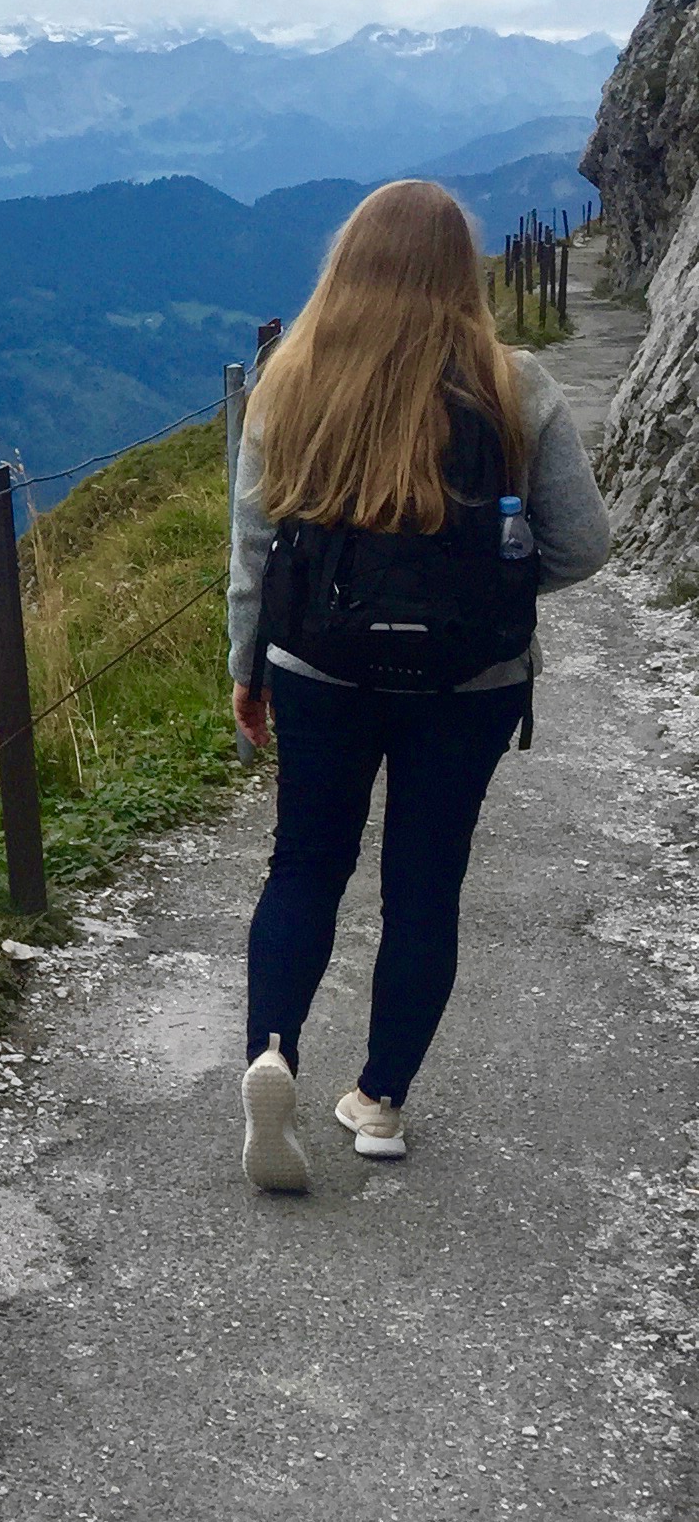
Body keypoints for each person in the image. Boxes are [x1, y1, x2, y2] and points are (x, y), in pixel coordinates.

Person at [228, 181, 610, 1192]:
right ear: (459, 272)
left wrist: (246, 670)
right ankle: (381, 1102)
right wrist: (494, 592)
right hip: (470, 680)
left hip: (320, 667)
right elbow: (584, 543)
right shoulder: (515, 386)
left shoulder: (291, 378)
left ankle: (272, 1052)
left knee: (304, 866)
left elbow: (256, 554)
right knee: (426, 885)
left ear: (348, 263)